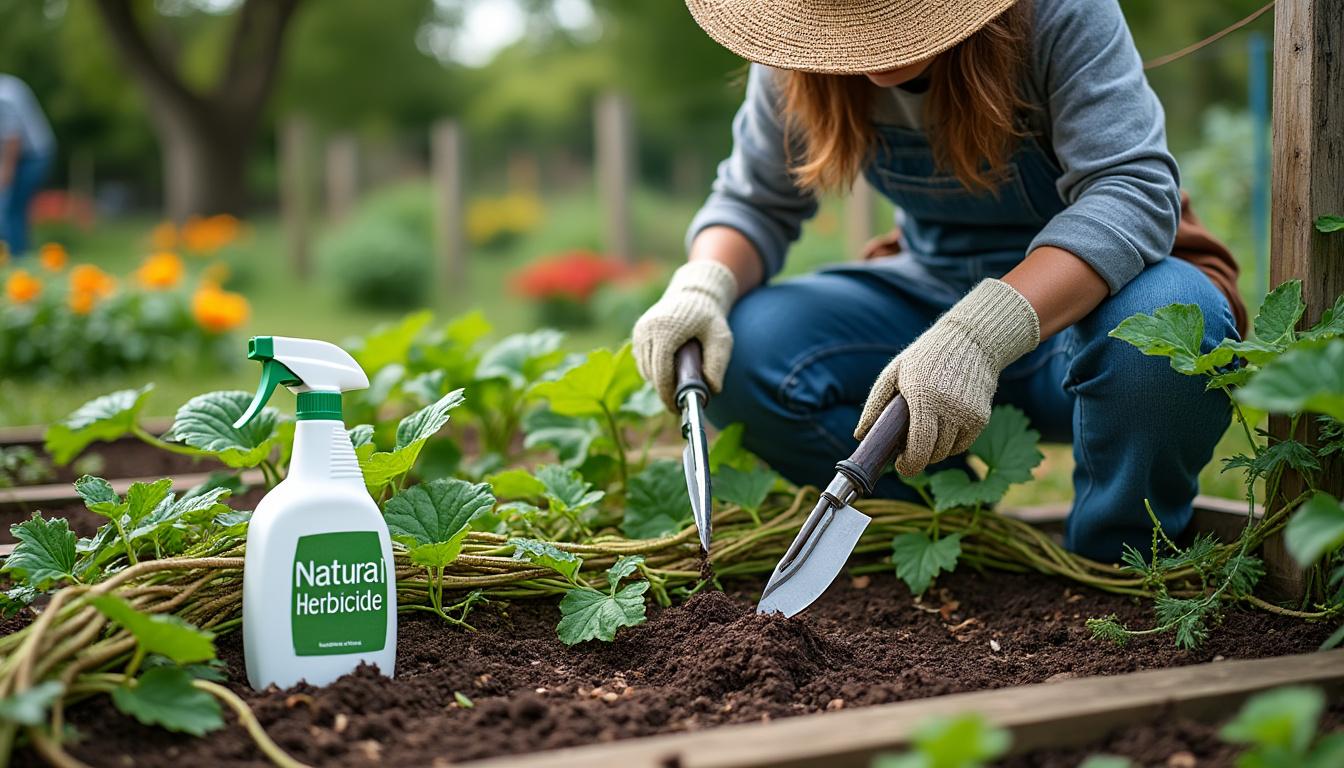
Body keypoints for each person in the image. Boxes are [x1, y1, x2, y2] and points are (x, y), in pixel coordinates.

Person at [633, 0, 1244, 563]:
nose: (867, 45)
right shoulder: (802, 41)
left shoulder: (1058, 13)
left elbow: (1129, 192)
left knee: (1170, 327)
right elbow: (754, 203)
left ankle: (1119, 563)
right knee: (751, 347)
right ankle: (944, 529)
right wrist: (703, 283)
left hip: (1094, 311)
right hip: (927, 295)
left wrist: (980, 336)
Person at [0, 74, 56, 257]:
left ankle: (17, 259)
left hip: (31, 157)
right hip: (26, 155)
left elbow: (12, 138)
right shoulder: (8, 84)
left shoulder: (3, 96)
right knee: (14, 210)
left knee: (10, 209)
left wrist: (6, 171)